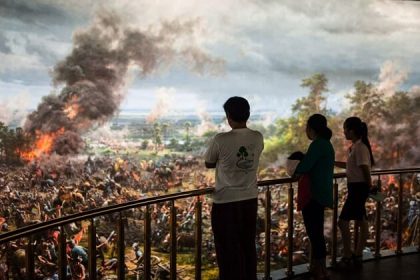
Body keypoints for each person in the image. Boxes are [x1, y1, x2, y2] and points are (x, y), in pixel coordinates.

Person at [204, 96, 264, 280]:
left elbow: (209, 162)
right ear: (247, 114)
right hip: (249, 200)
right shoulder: (257, 137)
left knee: (227, 250)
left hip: (225, 202)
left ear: (228, 116)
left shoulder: (220, 139)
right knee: (247, 246)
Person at [294, 114, 335, 280]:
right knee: (316, 232)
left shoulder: (317, 145)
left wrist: (296, 166)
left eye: (307, 127)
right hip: (322, 191)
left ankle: (321, 270)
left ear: (312, 129)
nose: (306, 131)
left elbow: (304, 167)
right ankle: (318, 267)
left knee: (314, 233)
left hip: (314, 194)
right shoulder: (326, 144)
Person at [335, 117, 375, 266]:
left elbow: (365, 168)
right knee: (361, 220)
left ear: (351, 131)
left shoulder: (360, 148)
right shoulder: (355, 147)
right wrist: (332, 162)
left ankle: (348, 254)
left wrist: (369, 186)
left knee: (342, 221)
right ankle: (358, 254)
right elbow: (351, 166)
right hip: (356, 187)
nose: (344, 132)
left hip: (359, 188)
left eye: (345, 129)